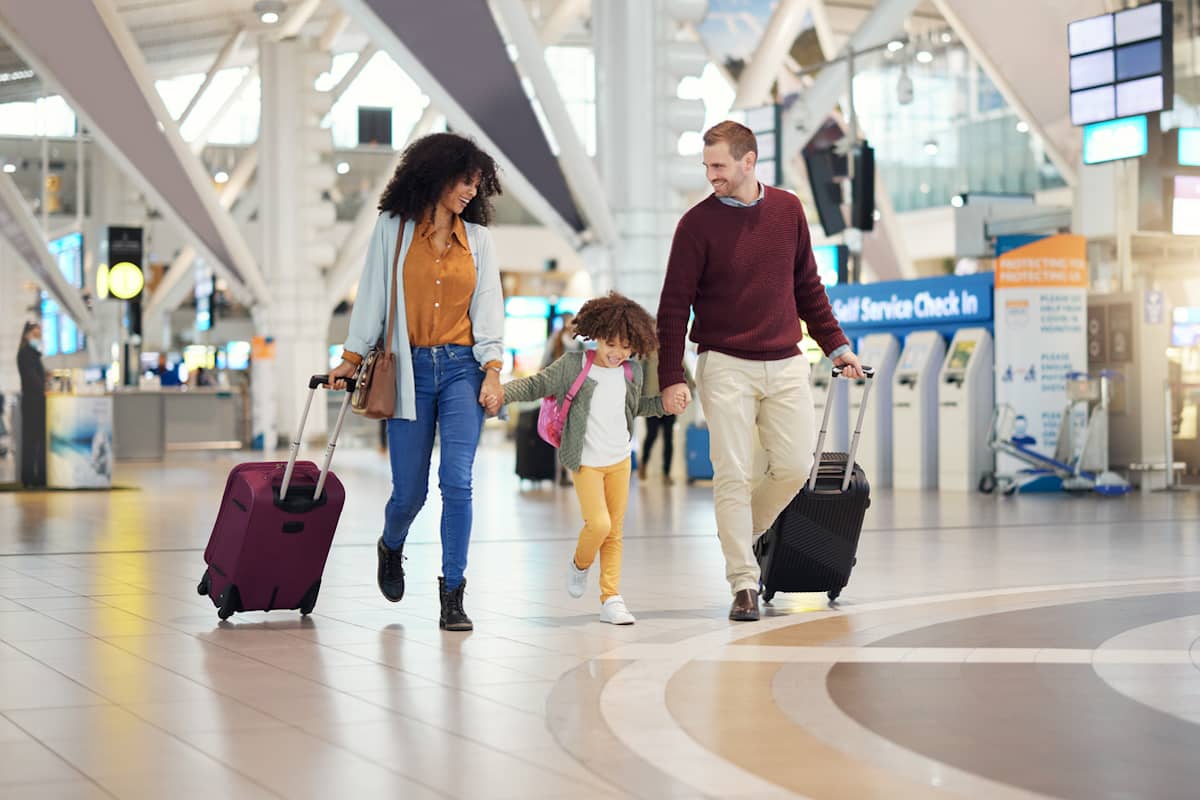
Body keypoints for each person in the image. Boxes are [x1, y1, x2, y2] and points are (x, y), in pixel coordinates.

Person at [655, 121, 863, 623]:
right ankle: (744, 583)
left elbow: (808, 287)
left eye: (719, 166)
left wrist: (836, 346)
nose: (712, 176)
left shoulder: (789, 210)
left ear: (749, 162)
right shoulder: (696, 225)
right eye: (707, 167)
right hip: (724, 364)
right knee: (733, 472)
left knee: (795, 467)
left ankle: (746, 534)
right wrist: (670, 376)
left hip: (787, 360)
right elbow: (673, 306)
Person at [328, 133, 505, 632]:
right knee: (410, 491)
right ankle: (391, 543)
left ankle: (453, 593)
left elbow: (489, 308)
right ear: (435, 175)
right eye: (464, 181)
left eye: (477, 183)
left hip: (462, 369)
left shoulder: (481, 241)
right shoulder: (394, 229)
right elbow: (372, 299)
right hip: (408, 369)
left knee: (458, 481)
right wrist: (350, 357)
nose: (471, 191)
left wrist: (492, 370)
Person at [498, 293, 665, 625]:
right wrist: (502, 393)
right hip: (586, 461)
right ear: (597, 335)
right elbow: (537, 385)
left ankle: (611, 598)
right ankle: (579, 564)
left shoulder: (632, 372)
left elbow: (635, 409)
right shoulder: (574, 365)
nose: (617, 353)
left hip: (620, 459)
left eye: (626, 346)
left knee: (614, 532)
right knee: (599, 524)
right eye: (611, 343)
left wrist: (662, 405)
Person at [637, 349, 693, 485]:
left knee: (669, 437)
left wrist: (691, 387)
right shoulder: (647, 354)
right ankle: (643, 464)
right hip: (651, 401)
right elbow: (639, 375)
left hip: (670, 401)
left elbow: (685, 372)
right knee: (652, 434)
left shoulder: (674, 353)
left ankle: (666, 474)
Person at [541, 312, 583, 485]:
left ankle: (569, 470)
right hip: (558, 391)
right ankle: (561, 472)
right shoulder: (556, 340)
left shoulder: (580, 344)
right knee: (559, 432)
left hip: (576, 392)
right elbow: (545, 363)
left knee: (572, 432)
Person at [16, 321, 46, 488]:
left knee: (36, 441)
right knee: (32, 441)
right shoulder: (26, 353)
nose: (38, 337)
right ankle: (30, 477)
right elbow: (32, 379)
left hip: (35, 401)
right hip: (32, 402)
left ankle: (35, 477)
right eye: (35, 334)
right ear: (27, 335)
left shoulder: (33, 353)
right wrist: (43, 388)